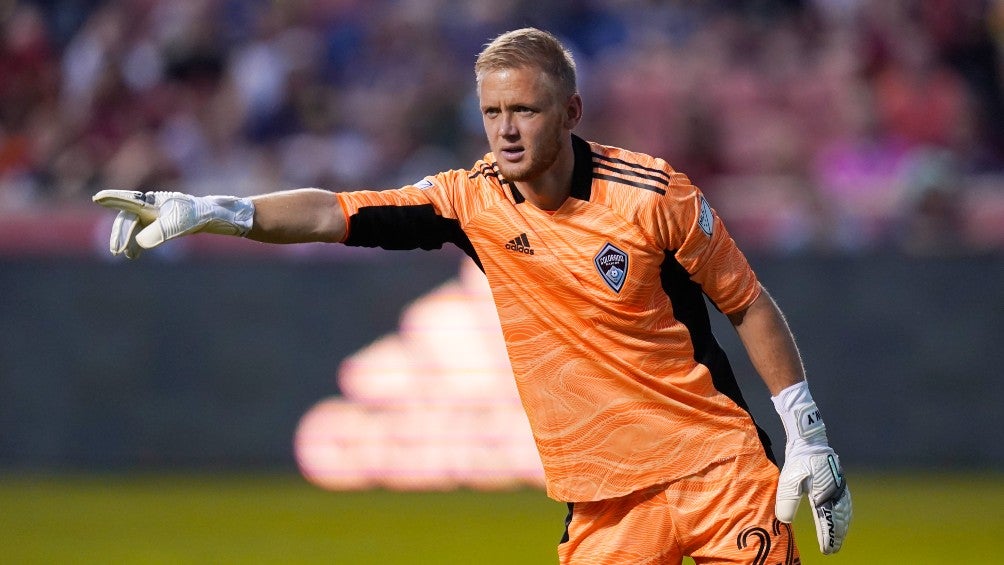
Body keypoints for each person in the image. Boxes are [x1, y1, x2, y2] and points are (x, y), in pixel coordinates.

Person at [94, 27, 851, 565]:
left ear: (571, 114)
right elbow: (334, 211)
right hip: (604, 498)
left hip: (717, 469)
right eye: (493, 113)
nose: (506, 130)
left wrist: (806, 433)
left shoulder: (655, 195)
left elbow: (747, 302)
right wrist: (215, 210)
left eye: (524, 110)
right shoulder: (469, 201)